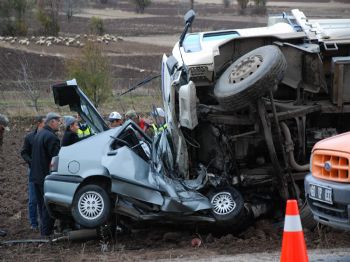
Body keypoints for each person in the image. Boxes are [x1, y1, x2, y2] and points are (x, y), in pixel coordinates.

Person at [31, 112, 61, 237]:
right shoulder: (51, 137)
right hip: (45, 177)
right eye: (58, 121)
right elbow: (55, 159)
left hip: (35, 176)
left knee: (42, 204)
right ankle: (46, 233)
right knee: (49, 205)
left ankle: (44, 231)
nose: (60, 123)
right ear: (52, 122)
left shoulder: (40, 134)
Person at [20, 115, 45, 231]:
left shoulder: (48, 136)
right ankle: (33, 223)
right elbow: (24, 152)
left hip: (45, 170)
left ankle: (44, 222)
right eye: (45, 122)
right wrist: (32, 162)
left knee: (44, 198)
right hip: (33, 170)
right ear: (39, 123)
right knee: (33, 198)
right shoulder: (29, 137)